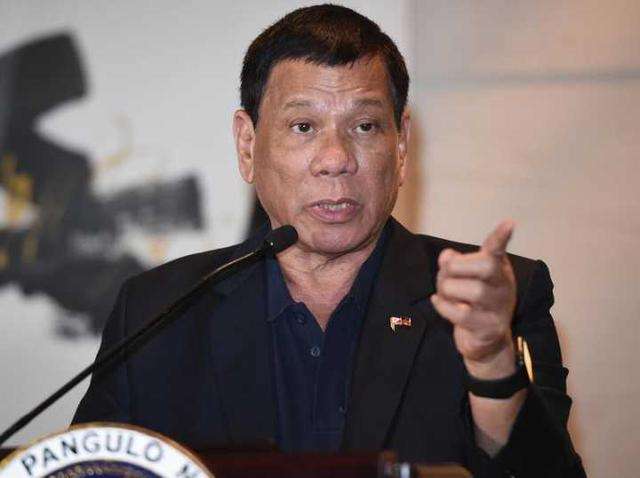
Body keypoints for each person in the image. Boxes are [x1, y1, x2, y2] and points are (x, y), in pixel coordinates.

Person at [74, 5, 586, 477]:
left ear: (401, 146)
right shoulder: (157, 311)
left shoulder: (490, 301)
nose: (336, 158)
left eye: (364, 126)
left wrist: (491, 360)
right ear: (248, 145)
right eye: (303, 126)